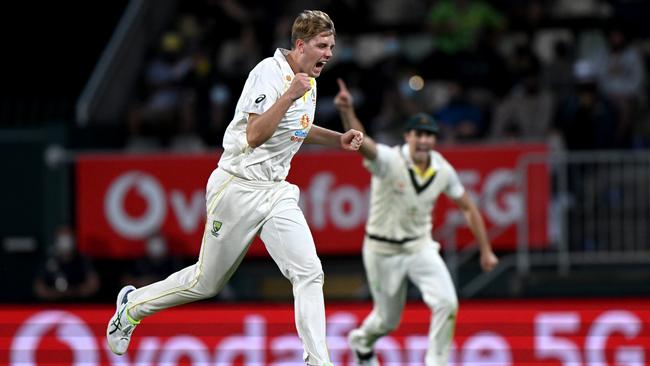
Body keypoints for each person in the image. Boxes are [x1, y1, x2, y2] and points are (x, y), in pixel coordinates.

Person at [106, 11, 364, 366]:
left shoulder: (308, 80)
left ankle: (317, 361)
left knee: (309, 272)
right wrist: (289, 94)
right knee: (205, 282)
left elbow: (299, 127)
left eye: (332, 47)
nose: (329, 54)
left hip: (276, 192)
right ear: (300, 45)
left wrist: (338, 139)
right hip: (238, 187)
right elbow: (255, 135)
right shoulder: (268, 75)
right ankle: (132, 307)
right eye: (323, 46)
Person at [334, 79, 498, 366]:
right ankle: (361, 341)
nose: (424, 140)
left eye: (429, 135)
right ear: (407, 136)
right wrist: (347, 112)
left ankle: (436, 362)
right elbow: (364, 143)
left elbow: (469, 207)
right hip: (382, 250)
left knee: (447, 303)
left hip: (419, 248)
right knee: (387, 321)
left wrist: (485, 250)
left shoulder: (442, 169)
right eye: (418, 134)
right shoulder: (389, 160)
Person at [33, 226, 100, 301]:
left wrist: (74, 292)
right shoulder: (48, 261)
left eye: (68, 239)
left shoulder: (83, 260)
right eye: (62, 239)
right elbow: (38, 288)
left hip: (80, 305)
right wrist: (55, 294)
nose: (65, 243)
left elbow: (93, 285)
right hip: (52, 306)